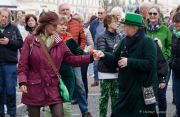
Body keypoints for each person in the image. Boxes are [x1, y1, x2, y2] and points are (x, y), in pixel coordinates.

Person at [18, 11, 94, 117]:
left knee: (59, 114)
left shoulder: (59, 41)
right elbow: (23, 64)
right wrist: (22, 82)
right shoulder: (31, 40)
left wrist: (90, 58)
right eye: (54, 25)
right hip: (34, 86)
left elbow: (71, 59)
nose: (57, 27)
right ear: (45, 24)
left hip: (53, 85)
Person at [94, 13, 158, 117]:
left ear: (135, 27)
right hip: (127, 88)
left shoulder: (148, 42)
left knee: (146, 113)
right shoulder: (124, 41)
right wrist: (103, 55)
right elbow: (115, 59)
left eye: (126, 26)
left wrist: (129, 62)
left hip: (143, 89)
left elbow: (151, 64)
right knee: (119, 112)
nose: (123, 28)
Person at [59, 4, 92, 117]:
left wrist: (82, 52)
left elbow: (82, 39)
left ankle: (85, 110)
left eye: (67, 9)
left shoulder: (76, 23)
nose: (65, 11)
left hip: (75, 59)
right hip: (60, 63)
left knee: (79, 83)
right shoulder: (55, 26)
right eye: (63, 10)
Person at [144, 6, 172, 117]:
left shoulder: (165, 29)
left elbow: (170, 46)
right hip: (147, 67)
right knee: (148, 95)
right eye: (150, 13)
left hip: (162, 66)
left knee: (161, 94)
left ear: (159, 15)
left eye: (155, 14)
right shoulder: (143, 29)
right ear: (147, 15)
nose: (152, 16)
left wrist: (164, 54)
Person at [97, 15, 122, 117]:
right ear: (108, 24)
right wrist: (116, 62)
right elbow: (102, 54)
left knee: (116, 98)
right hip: (105, 71)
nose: (117, 23)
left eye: (117, 21)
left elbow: (122, 52)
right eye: (115, 21)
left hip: (116, 71)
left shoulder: (119, 36)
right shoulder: (101, 36)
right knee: (104, 98)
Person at [0, 9, 23, 117]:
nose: (3, 18)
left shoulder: (13, 28)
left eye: (5, 16)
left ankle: (12, 112)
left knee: (10, 90)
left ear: (8, 18)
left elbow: (20, 43)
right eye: (1, 16)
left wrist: (8, 42)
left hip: (9, 64)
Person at [89, 8, 107, 86]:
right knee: (95, 63)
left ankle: (104, 80)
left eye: (101, 13)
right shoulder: (94, 22)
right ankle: (96, 80)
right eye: (98, 13)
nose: (99, 14)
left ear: (105, 13)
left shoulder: (107, 22)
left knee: (105, 62)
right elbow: (90, 32)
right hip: (96, 45)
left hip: (105, 45)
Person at [170, 11, 180, 117]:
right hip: (176, 71)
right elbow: (173, 51)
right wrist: (171, 62)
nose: (175, 24)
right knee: (177, 98)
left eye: (177, 22)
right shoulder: (174, 34)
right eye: (174, 22)